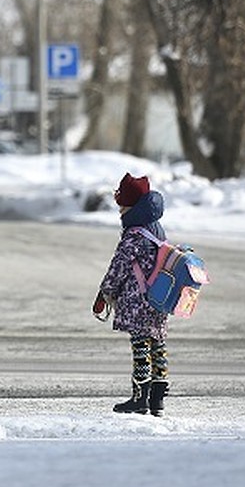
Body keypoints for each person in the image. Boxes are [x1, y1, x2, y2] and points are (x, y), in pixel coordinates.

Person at [92, 171, 171, 416]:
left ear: (133, 207)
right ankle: (157, 399)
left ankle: (140, 398)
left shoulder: (134, 235)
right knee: (158, 345)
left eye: (122, 206)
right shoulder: (156, 230)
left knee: (140, 347)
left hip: (138, 300)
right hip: (158, 298)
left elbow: (118, 267)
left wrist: (103, 295)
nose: (119, 211)